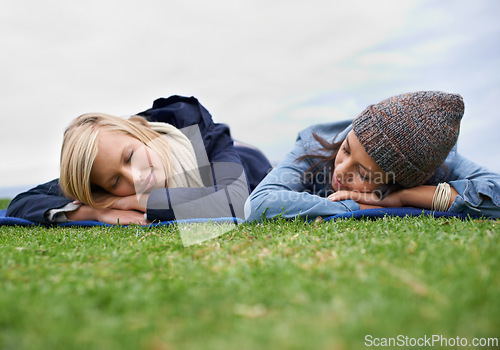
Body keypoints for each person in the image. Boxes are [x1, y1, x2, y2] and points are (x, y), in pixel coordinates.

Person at [7, 95, 272, 225]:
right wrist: (96, 211)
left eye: (130, 156)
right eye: (114, 181)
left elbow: (234, 201)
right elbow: (21, 204)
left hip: (249, 161)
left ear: (138, 131)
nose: (135, 176)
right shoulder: (99, 168)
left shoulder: (199, 131)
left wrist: (130, 200)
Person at [245, 91, 500, 222]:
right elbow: (259, 205)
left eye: (364, 174)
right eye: (346, 150)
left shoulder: (439, 163)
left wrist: (401, 199)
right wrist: (359, 206)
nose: (342, 171)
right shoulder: (314, 142)